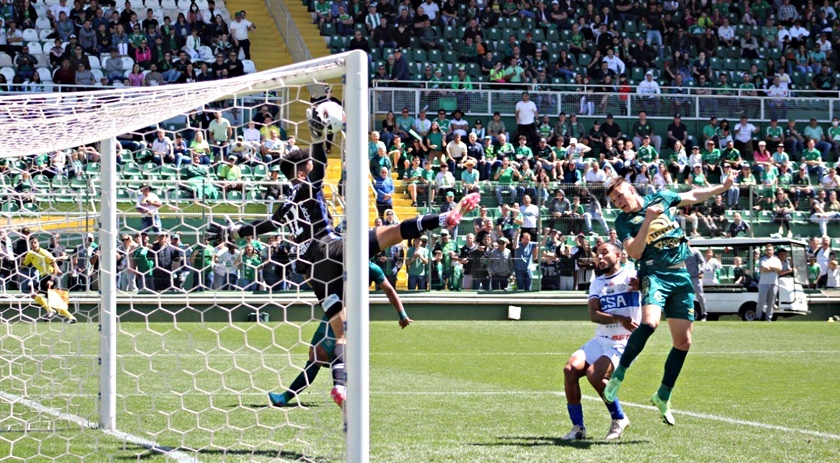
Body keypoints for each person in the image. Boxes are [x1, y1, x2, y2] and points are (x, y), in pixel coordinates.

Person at [207, 110, 480, 407]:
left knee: (342, 332)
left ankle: (340, 386)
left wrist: (231, 233)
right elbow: (321, 164)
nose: (313, 170)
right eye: (309, 167)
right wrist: (319, 135)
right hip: (330, 247)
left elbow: (263, 227)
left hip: (313, 273)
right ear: (302, 171)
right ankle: (444, 217)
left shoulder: (284, 204)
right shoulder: (307, 187)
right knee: (388, 232)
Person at [603, 170, 736, 425]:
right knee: (650, 323)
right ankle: (618, 376)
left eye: (620, 195)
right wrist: (647, 221)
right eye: (615, 201)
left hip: (681, 276)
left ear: (631, 189)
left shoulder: (662, 197)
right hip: (654, 274)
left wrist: (723, 187)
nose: (619, 202)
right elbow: (634, 252)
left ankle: (663, 395)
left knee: (684, 342)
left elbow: (693, 195)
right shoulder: (623, 221)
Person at [269, 260, 412, 406]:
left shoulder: (371, 268)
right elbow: (318, 285)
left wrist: (402, 315)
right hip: (331, 311)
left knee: (318, 356)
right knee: (314, 353)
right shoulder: (336, 261)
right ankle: (342, 390)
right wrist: (306, 274)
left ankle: (286, 398)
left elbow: (389, 290)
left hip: (346, 313)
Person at [561, 242, 639, 441]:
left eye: (605, 253)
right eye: (598, 254)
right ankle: (578, 428)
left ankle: (619, 418)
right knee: (570, 370)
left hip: (624, 340)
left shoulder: (633, 276)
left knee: (594, 375)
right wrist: (619, 318)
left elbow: (653, 288)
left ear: (619, 255)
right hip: (601, 338)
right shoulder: (597, 282)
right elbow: (593, 314)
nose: (600, 257)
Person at [22, 236, 76, 323]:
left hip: (49, 276)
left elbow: (54, 265)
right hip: (44, 277)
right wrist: (20, 261)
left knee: (35, 294)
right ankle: (71, 317)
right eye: (32, 243)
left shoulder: (44, 253)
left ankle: (51, 310)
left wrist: (51, 279)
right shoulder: (30, 254)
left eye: (35, 242)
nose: (33, 244)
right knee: (53, 301)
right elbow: (23, 264)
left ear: (38, 243)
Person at [757, 243, 782, 322]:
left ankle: (768, 318)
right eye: (767, 250)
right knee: (761, 301)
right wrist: (773, 268)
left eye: (770, 250)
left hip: (774, 283)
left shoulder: (777, 259)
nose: (768, 251)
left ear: (773, 251)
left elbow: (779, 270)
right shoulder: (762, 259)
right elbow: (764, 269)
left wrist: (770, 267)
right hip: (763, 283)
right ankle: (758, 317)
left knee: (771, 303)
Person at [684, 245, 707, 322]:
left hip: (695, 277)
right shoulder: (680, 252)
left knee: (700, 296)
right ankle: (689, 314)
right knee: (687, 298)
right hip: (686, 278)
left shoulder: (695, 251)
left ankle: (704, 314)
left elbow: (703, 262)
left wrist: (701, 270)